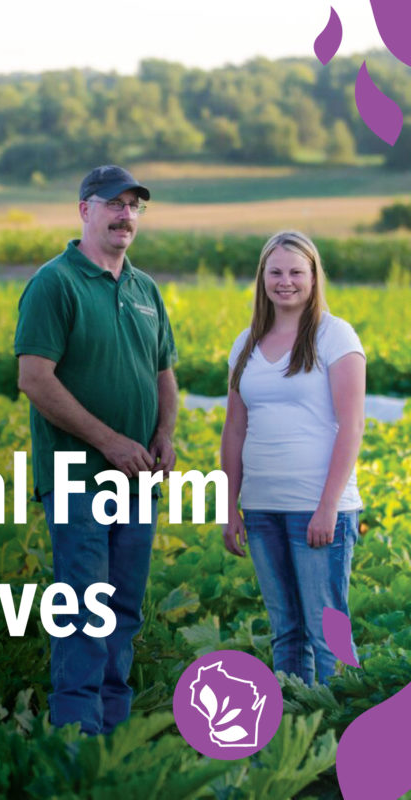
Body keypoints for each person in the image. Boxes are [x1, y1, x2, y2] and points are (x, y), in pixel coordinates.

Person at [14, 165, 178, 734]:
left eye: (134, 205)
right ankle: (75, 741)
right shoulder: (54, 283)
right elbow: (35, 379)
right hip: (77, 480)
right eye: (114, 203)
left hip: (136, 481)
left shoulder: (144, 288)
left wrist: (164, 435)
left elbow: (163, 373)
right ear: (85, 209)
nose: (125, 215)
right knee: (86, 610)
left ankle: (112, 737)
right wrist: (109, 441)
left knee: (124, 610)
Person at [221, 230, 365, 685]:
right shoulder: (246, 342)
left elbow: (351, 426)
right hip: (263, 508)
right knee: (286, 633)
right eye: (276, 272)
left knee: (328, 636)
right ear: (262, 277)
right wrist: (230, 508)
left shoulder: (334, 335)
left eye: (296, 272)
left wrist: (327, 507)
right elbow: (235, 429)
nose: (286, 282)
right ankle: (296, 730)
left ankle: (340, 737)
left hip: (317, 509)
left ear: (313, 277)